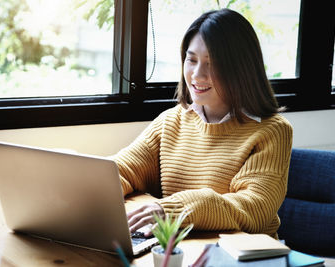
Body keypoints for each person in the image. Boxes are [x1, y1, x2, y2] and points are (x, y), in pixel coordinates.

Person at [112, 8, 293, 239]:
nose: (197, 75)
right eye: (192, 59)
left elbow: (253, 208)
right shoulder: (172, 120)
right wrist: (90, 189)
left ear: (241, 69)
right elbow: (122, 169)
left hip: (243, 258)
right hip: (183, 249)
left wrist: (174, 208)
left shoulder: (272, 131)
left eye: (212, 63)